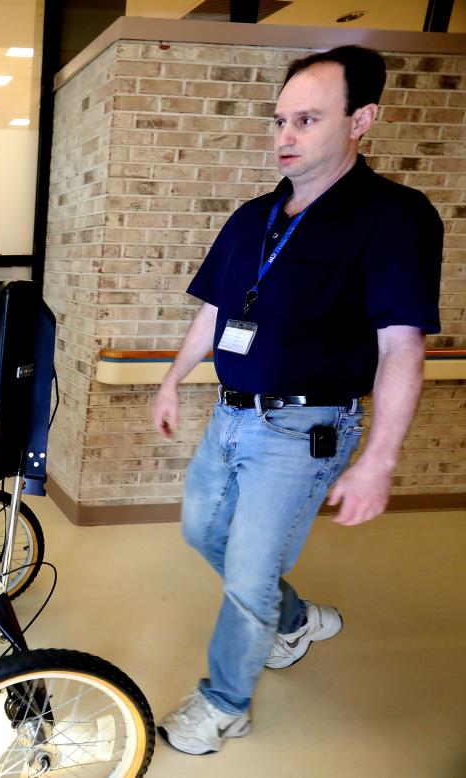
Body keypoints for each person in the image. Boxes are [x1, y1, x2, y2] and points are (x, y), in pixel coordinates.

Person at [150, 46, 443, 755]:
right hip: (230, 415)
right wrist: (171, 377)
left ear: (361, 120)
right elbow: (218, 312)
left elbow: (402, 346)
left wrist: (379, 459)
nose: (285, 136)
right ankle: (295, 619)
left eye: (307, 120)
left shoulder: (394, 217)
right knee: (201, 533)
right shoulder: (256, 216)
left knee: (248, 573)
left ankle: (224, 704)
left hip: (304, 429)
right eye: (280, 120)